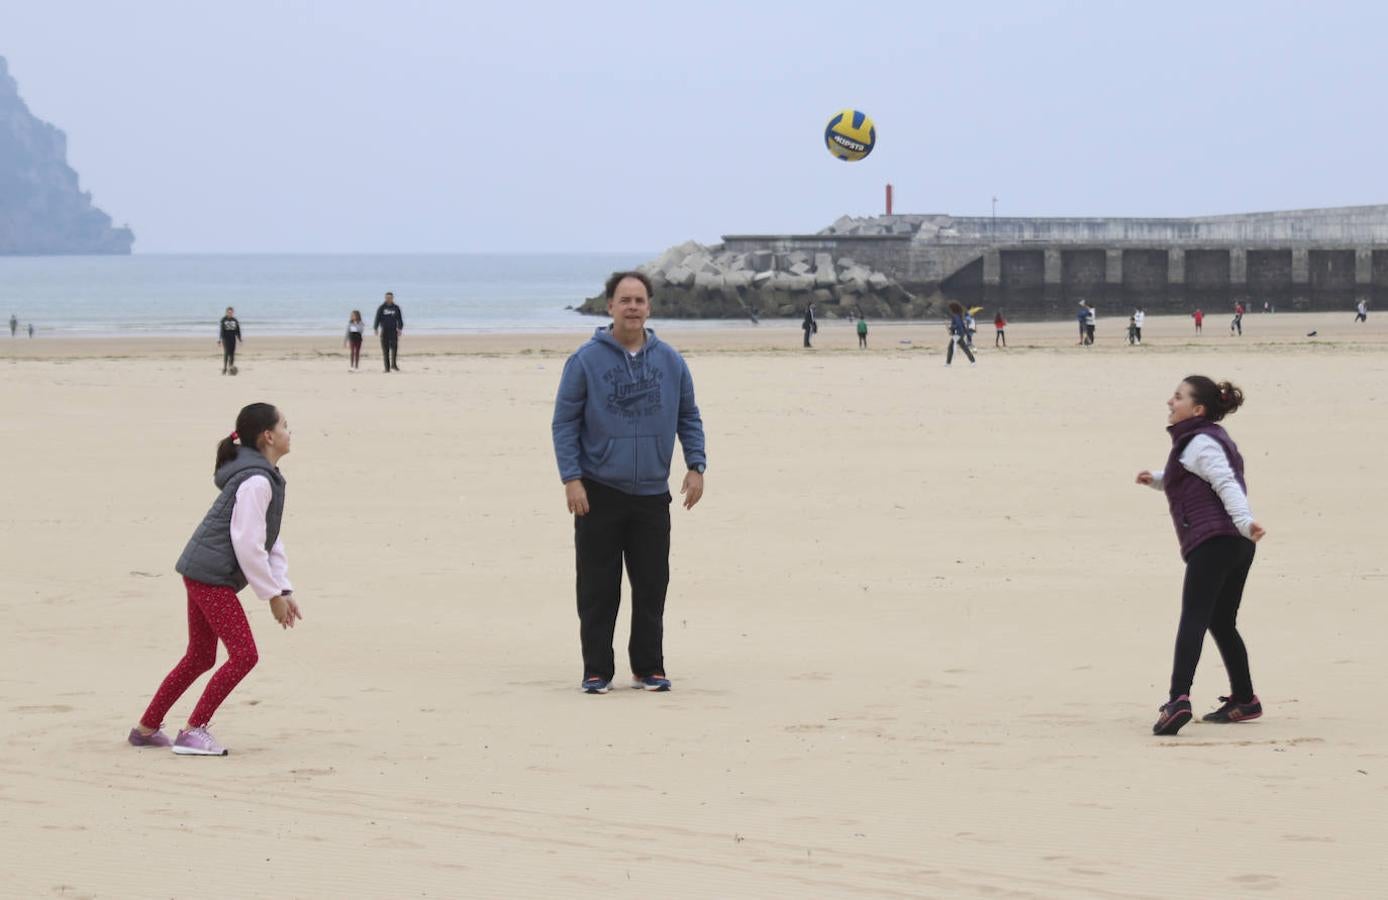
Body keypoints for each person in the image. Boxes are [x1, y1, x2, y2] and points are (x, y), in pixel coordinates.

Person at [552, 271, 707, 695]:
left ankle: (648, 668)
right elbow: (564, 422)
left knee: (652, 586)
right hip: (598, 491)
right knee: (598, 588)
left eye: (640, 300)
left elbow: (688, 416)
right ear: (610, 307)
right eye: (625, 300)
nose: (633, 307)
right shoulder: (585, 360)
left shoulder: (671, 361)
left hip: (652, 494)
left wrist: (696, 465)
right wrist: (572, 479)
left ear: (649, 307)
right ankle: (597, 670)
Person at [130, 403, 302, 755]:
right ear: (268, 436)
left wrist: (283, 587)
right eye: (285, 425)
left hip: (201, 572)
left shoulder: (262, 475)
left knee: (199, 657)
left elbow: (269, 539)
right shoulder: (256, 481)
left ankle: (146, 728)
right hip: (210, 577)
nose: (290, 431)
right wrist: (271, 596)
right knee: (244, 655)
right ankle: (195, 730)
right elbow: (247, 544)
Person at [1136, 377, 1266, 736]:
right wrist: (1158, 479)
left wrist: (1244, 522)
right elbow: (1193, 477)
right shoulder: (1201, 441)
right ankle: (1245, 699)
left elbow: (1225, 482)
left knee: (1194, 617)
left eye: (1177, 397)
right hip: (1237, 546)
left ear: (1198, 409)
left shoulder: (1200, 443)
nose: (1170, 401)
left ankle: (1178, 700)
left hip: (1218, 542)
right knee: (1221, 621)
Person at [374, 291, 404, 372]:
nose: (388, 299)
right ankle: (387, 368)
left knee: (394, 348)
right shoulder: (381, 308)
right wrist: (375, 328)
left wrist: (400, 328)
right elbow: (377, 318)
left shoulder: (396, 308)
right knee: (385, 350)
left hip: (393, 331)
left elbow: (400, 319)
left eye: (390, 298)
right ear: (385, 298)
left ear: (392, 298)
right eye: (387, 298)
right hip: (384, 331)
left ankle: (394, 365)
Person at [944, 301, 976, 366]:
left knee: (951, 348)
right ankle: (973, 361)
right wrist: (965, 332)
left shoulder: (955, 316)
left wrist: (950, 327)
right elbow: (962, 325)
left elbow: (958, 325)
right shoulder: (958, 315)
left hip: (957, 334)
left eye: (950, 308)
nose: (950, 310)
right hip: (960, 333)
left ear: (953, 308)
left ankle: (948, 363)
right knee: (964, 347)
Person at [219, 307, 242, 375]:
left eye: (231, 312)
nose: (230, 313)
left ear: (233, 313)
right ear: (226, 312)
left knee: (232, 354)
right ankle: (225, 368)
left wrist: (239, 339)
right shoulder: (223, 320)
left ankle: (230, 367)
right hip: (225, 339)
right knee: (226, 353)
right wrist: (220, 340)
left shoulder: (235, 320)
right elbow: (221, 331)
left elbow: (238, 330)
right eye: (229, 312)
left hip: (233, 339)